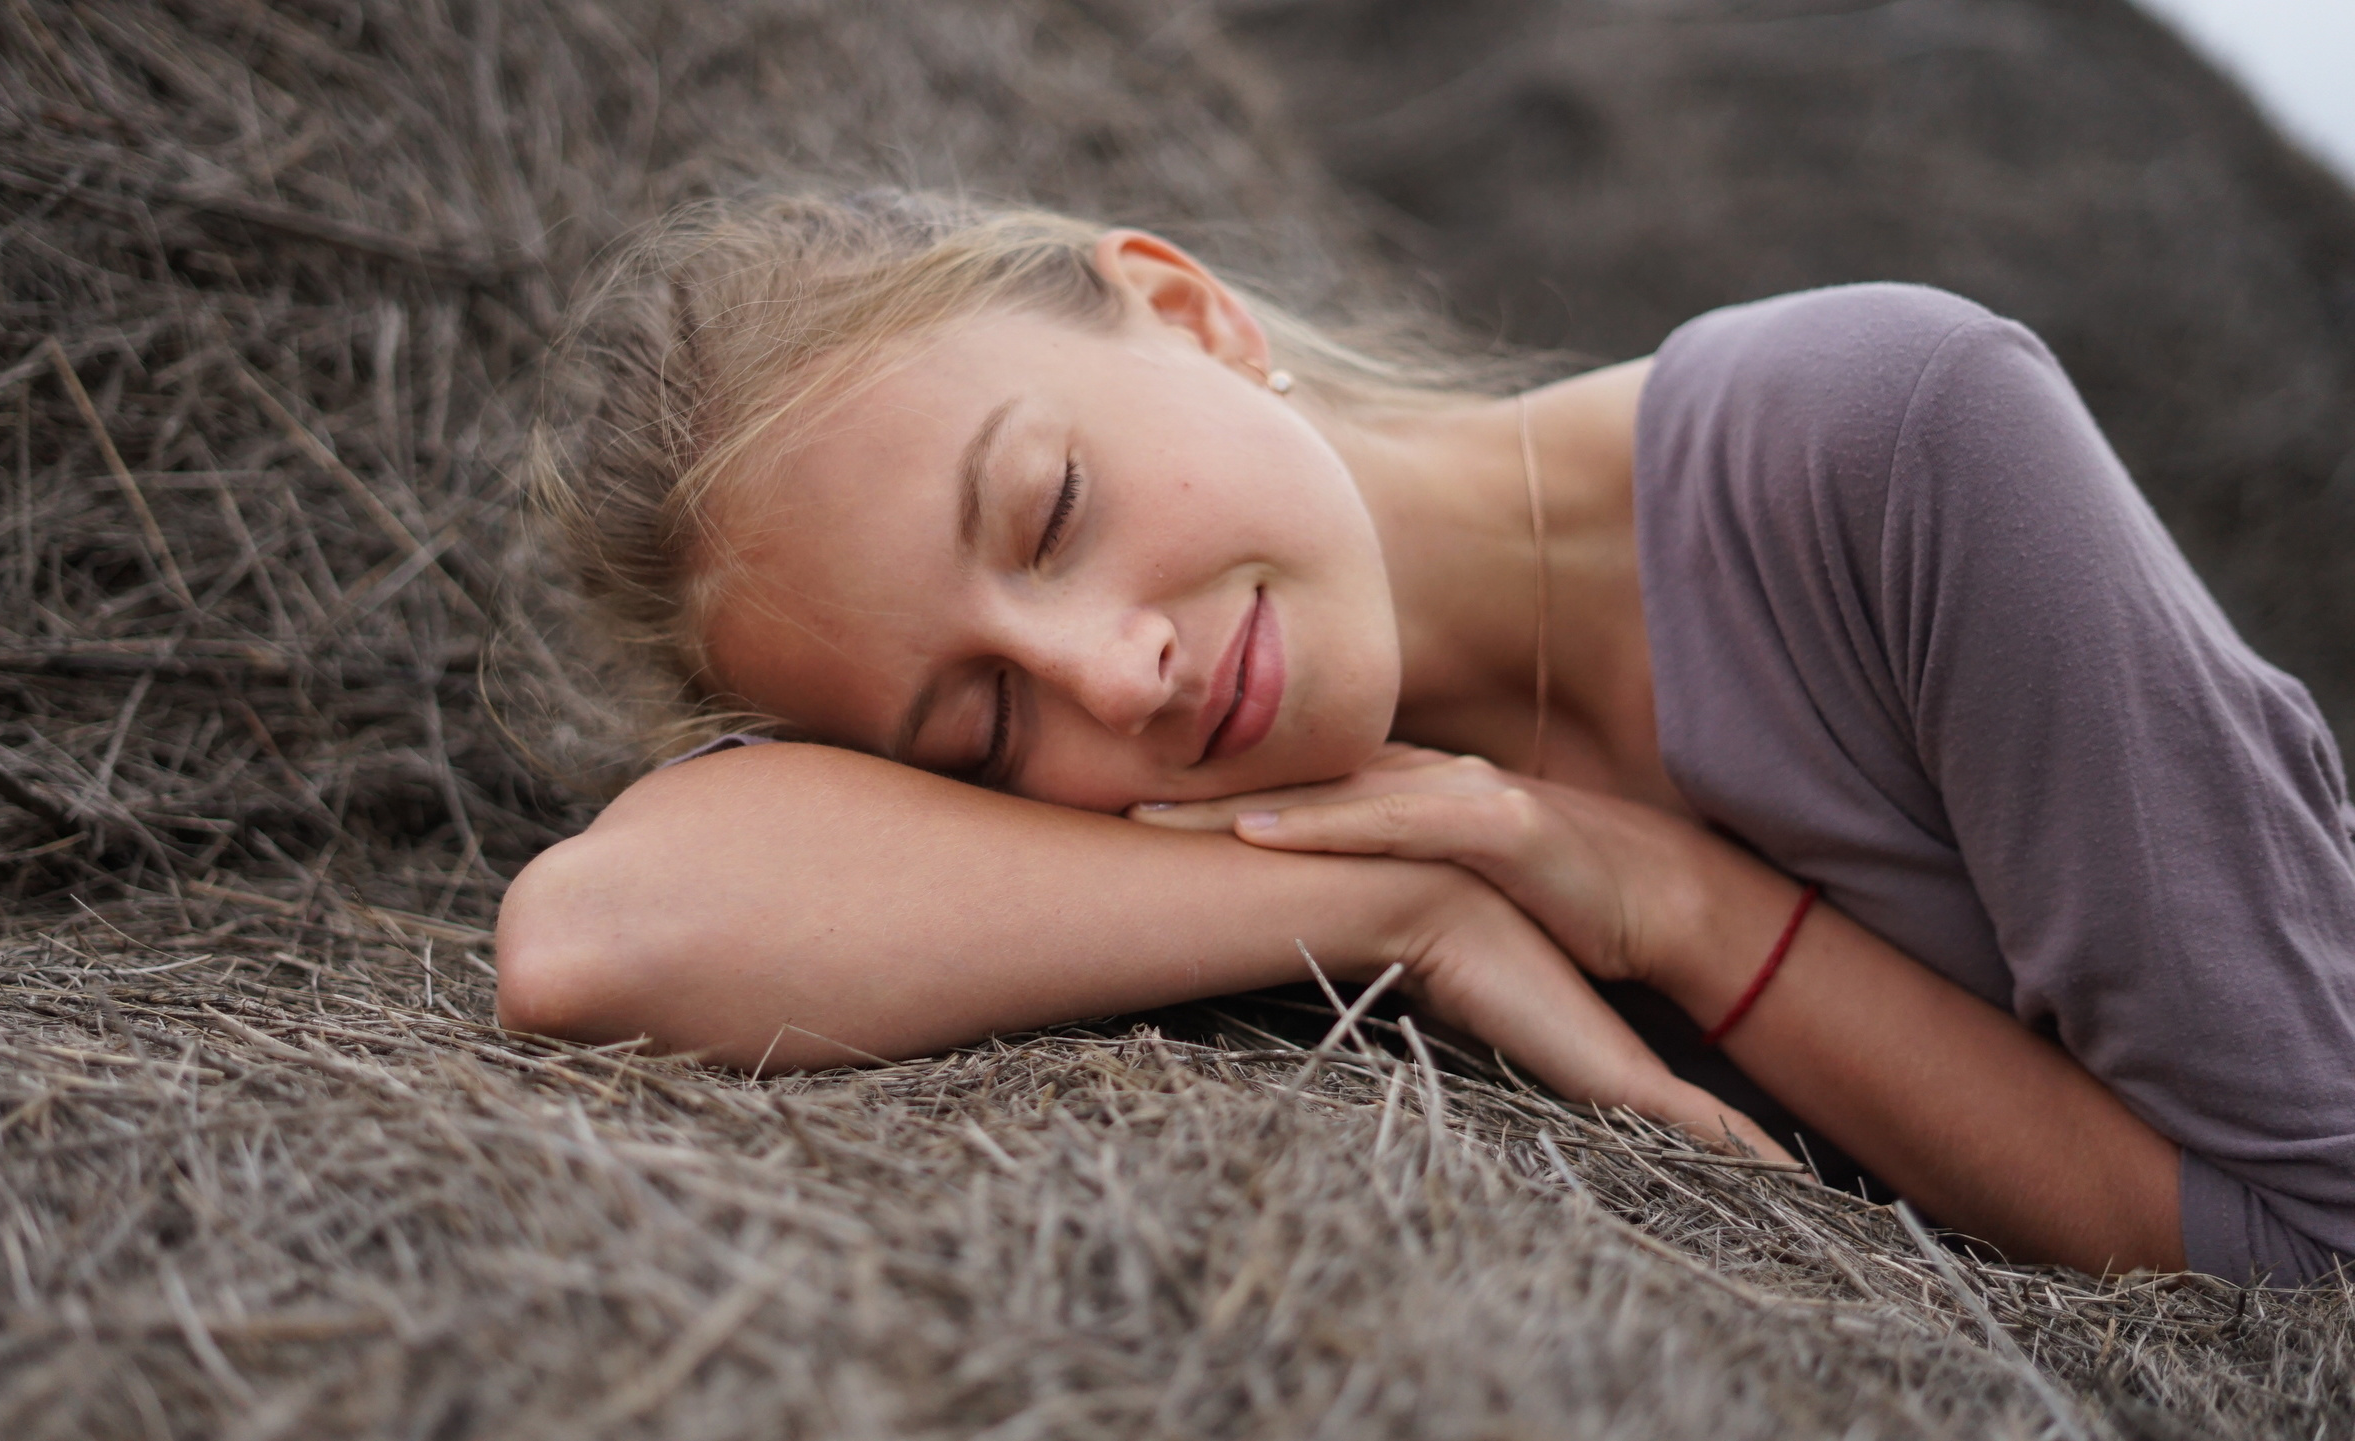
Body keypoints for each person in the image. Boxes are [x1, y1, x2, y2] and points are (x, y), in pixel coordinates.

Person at [494, 190, 2355, 1286]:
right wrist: (1418, 911)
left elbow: (2308, 1241)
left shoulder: (1889, 443)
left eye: (1050, 506)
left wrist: (1673, 907)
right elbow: (602, 932)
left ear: (1188, 313)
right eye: (982, 728)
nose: (1112, 673)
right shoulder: (1272, 836)